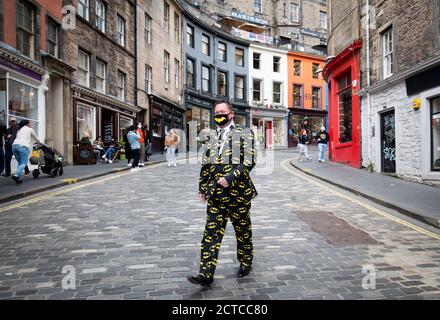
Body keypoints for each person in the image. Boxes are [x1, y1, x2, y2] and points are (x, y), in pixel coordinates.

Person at [188, 100, 258, 286]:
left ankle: (245, 261)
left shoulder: (244, 132)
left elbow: (250, 161)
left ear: (231, 114)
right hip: (216, 195)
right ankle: (206, 273)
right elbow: (206, 164)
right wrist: (203, 188)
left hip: (239, 195)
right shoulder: (210, 135)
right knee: (211, 232)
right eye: (216, 112)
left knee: (242, 231)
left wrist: (230, 177)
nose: (219, 114)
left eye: (222, 111)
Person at [11, 120, 41, 184]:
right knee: (24, 163)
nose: (30, 124)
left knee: (20, 163)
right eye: (29, 123)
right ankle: (16, 175)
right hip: (23, 146)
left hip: (14, 146)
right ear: (27, 124)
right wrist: (40, 143)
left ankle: (17, 178)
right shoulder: (29, 129)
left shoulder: (19, 129)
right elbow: (36, 138)